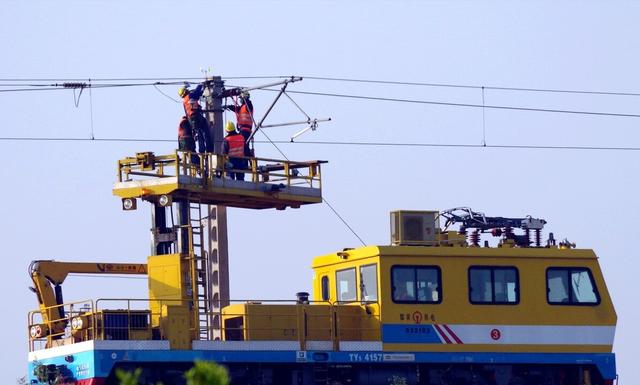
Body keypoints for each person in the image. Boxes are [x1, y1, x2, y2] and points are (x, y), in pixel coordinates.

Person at [178, 84, 210, 153]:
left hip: (192, 120)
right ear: (185, 91)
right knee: (206, 132)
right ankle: (209, 149)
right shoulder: (189, 96)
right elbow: (197, 93)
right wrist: (201, 85)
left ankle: (202, 151)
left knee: (200, 135)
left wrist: (204, 90)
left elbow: (198, 94)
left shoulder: (185, 101)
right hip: (196, 117)